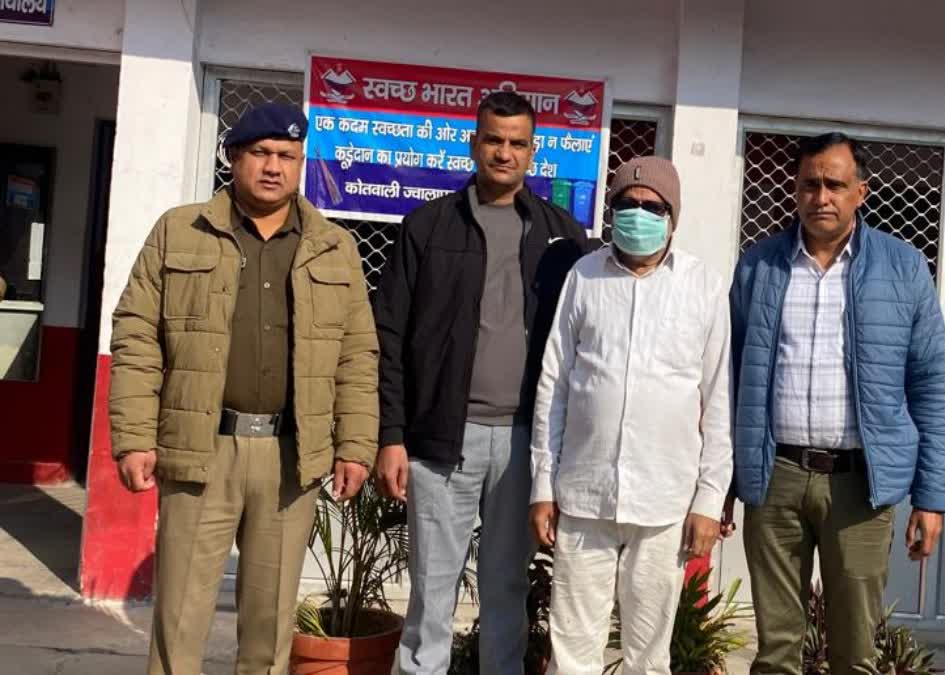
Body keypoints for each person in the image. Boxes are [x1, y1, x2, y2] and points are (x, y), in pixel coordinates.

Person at [108, 102, 379, 675]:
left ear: (301, 163)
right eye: (261, 153)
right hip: (200, 448)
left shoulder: (334, 246)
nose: (274, 167)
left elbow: (357, 354)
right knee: (180, 619)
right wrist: (134, 438)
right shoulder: (180, 230)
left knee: (269, 626)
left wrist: (355, 445)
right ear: (233, 157)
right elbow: (136, 335)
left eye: (288, 156)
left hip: (289, 458)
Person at [373, 91, 591, 675]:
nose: (504, 152)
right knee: (431, 591)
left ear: (533, 152)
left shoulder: (563, 237)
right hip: (443, 439)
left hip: (525, 441)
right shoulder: (427, 226)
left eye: (517, 143)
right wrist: (391, 435)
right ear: (474, 144)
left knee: (507, 591)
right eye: (494, 139)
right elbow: (389, 334)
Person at [729, 133, 945, 675]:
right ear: (795, 190)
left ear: (861, 192)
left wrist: (930, 498)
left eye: (835, 184)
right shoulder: (759, 266)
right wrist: (722, 484)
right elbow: (729, 379)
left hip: (860, 486)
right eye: (810, 184)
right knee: (775, 651)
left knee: (855, 654)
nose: (821, 197)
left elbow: (930, 385)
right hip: (775, 476)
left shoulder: (902, 269)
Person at [530, 156, 734, 675]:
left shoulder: (702, 286)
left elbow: (717, 402)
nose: (637, 213)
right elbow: (554, 385)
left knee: (648, 655)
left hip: (664, 502)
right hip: (584, 494)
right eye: (627, 203)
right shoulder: (584, 276)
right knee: (572, 650)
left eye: (652, 207)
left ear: (673, 218)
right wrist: (543, 486)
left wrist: (709, 500)